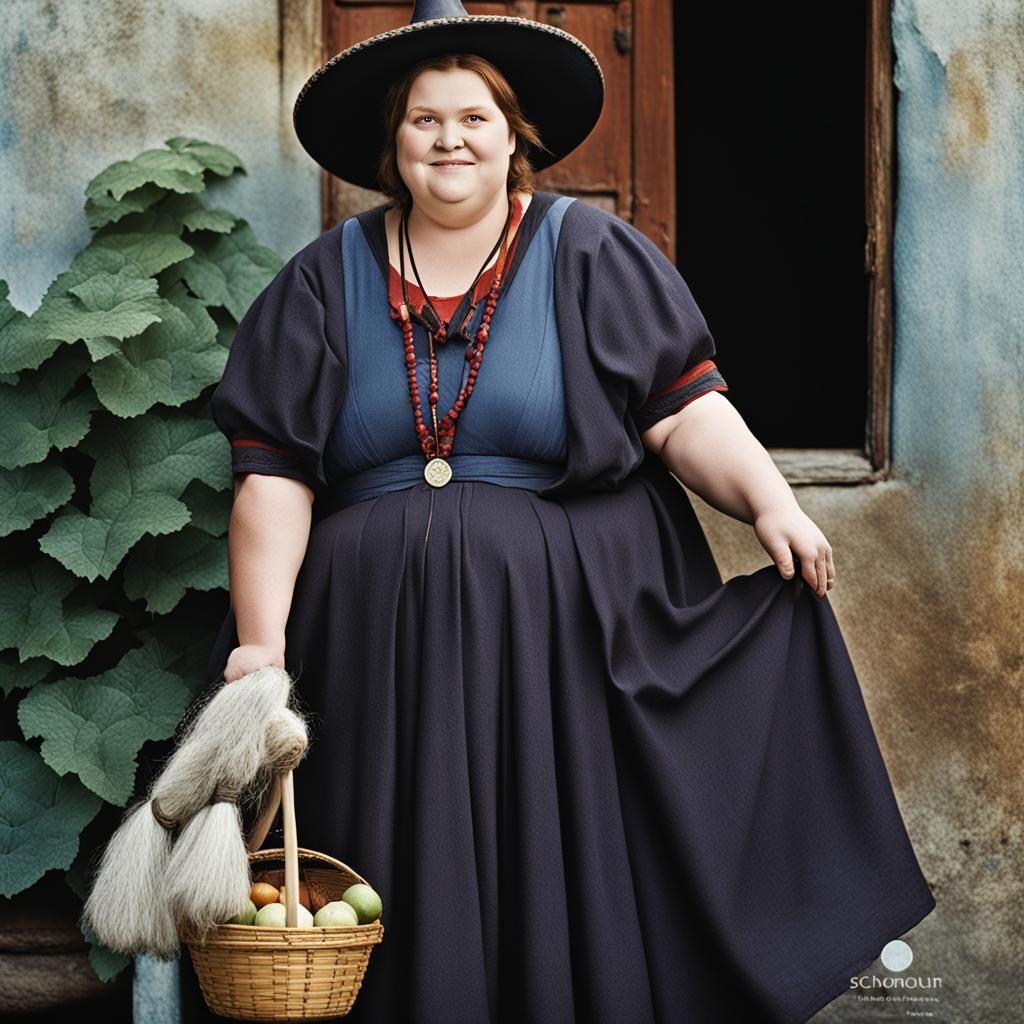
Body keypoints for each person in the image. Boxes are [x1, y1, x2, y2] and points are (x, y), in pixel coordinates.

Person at [178, 2, 936, 1021]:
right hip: (372, 653)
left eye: (473, 117)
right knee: (378, 868)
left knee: (564, 863)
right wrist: (262, 646)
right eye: (423, 120)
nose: (449, 139)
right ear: (391, 144)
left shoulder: (590, 255)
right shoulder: (322, 281)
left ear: (513, 136)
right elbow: (275, 476)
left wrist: (770, 504)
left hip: (562, 647)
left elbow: (683, 414)